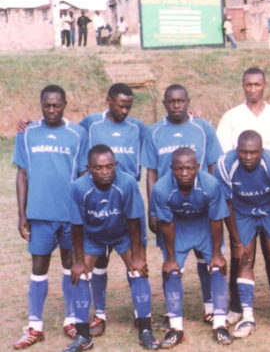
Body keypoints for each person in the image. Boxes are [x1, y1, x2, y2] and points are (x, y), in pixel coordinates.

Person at [142, 84, 224, 328]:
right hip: (170, 207)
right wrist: (152, 210)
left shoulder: (203, 127)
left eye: (180, 101)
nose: (176, 105)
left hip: (200, 206)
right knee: (171, 258)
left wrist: (211, 199)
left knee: (206, 256)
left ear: (188, 101)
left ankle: (210, 307)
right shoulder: (154, 132)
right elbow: (152, 173)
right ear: (165, 103)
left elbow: (212, 166)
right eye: (171, 101)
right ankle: (173, 312)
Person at [12, 85, 87, 349]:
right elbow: (21, 175)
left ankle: (71, 319)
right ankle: (35, 326)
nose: (52, 110)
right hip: (39, 214)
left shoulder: (77, 134)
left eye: (56, 105)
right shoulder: (26, 133)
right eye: (47, 106)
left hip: (69, 215)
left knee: (70, 265)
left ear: (65, 104)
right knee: (38, 267)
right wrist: (22, 215)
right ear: (41, 104)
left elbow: (82, 177)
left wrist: (82, 215)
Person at [64, 145, 159, 352]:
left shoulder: (127, 183)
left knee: (138, 271)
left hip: (123, 233)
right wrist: (78, 261)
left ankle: (145, 329)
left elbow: (134, 221)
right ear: (88, 168)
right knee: (79, 275)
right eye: (98, 168)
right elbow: (77, 225)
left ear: (115, 165)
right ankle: (82, 336)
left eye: (109, 167)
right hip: (93, 235)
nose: (105, 172)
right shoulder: (79, 187)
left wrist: (136, 257)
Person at [216, 130, 270, 338]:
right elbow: (227, 204)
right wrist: (236, 241)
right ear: (237, 150)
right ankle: (247, 316)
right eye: (244, 152)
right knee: (243, 258)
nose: (248, 157)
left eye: (253, 152)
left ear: (262, 150)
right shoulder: (225, 164)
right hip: (242, 213)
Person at [151, 148, 232, 347]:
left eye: (189, 168)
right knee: (171, 270)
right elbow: (166, 224)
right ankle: (176, 328)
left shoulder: (210, 184)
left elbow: (216, 219)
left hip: (204, 225)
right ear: (172, 169)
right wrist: (170, 258)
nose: (184, 173)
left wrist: (216, 253)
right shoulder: (161, 187)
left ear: (197, 167)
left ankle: (220, 324)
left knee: (216, 266)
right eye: (179, 169)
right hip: (178, 228)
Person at [216, 67, 270, 156]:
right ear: (243, 86)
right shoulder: (230, 117)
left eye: (257, 85)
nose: (253, 90)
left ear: (264, 85)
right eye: (249, 85)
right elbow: (224, 155)